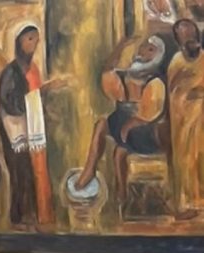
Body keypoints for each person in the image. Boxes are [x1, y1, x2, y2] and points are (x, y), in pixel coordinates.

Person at [72, 36, 168, 202]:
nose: (144, 51)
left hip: (145, 133)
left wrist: (131, 124)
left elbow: (150, 113)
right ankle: (89, 171)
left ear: (158, 56)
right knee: (101, 125)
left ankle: (121, 193)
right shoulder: (129, 74)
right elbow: (108, 72)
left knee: (119, 152)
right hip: (124, 127)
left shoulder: (156, 81)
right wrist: (120, 46)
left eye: (151, 49)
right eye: (144, 46)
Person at [0, 24, 65, 231]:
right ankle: (18, 219)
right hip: (15, 131)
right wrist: (43, 90)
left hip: (32, 128)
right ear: (19, 41)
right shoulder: (10, 72)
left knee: (33, 173)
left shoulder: (33, 68)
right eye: (29, 39)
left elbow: (34, 100)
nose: (33, 44)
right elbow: (10, 102)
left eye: (36, 39)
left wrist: (46, 107)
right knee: (20, 173)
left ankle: (35, 217)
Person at [167, 19, 204, 220]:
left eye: (193, 37)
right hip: (183, 120)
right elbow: (173, 91)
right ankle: (187, 204)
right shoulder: (176, 62)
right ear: (179, 42)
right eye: (186, 38)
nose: (191, 42)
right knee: (186, 161)